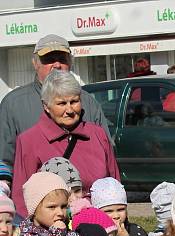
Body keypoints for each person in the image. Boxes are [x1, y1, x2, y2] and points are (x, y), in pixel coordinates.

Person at [12, 70, 120, 218]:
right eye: (61, 103)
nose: (69, 110)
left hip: (101, 226)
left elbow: (114, 183)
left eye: (74, 101)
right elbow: (21, 198)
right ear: (46, 106)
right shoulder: (29, 140)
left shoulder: (97, 134)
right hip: (55, 230)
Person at [0, 34, 110, 173]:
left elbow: (107, 152)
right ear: (35, 63)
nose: (57, 65)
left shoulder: (88, 102)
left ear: (70, 63)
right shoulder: (13, 104)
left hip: (84, 192)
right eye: (49, 59)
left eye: (62, 59)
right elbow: (4, 159)